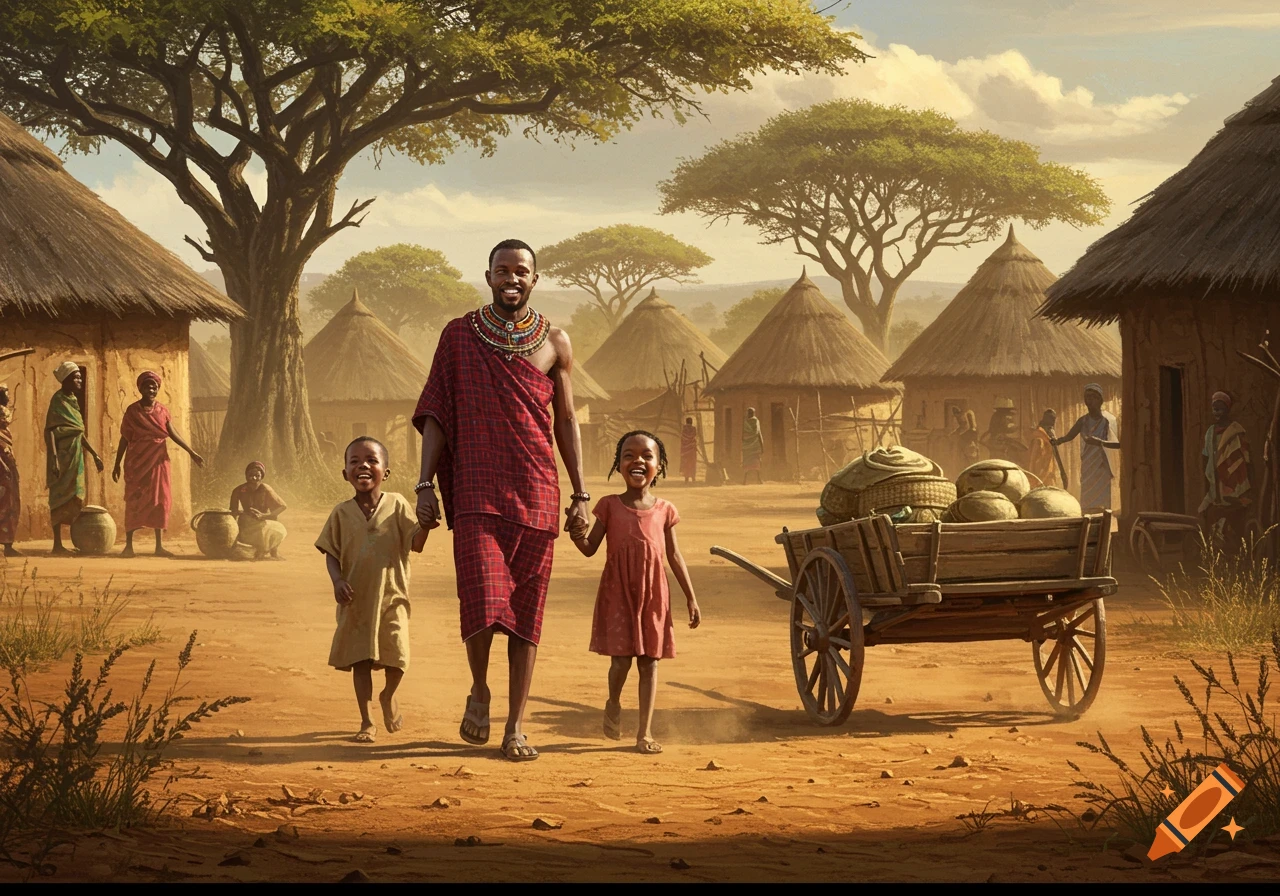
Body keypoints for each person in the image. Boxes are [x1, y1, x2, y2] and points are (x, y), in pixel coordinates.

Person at [413, 238, 590, 763]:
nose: (512, 279)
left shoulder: (556, 342)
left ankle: (515, 726)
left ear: (535, 279)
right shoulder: (458, 336)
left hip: (537, 491)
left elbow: (566, 422)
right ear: (487, 277)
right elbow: (436, 416)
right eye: (502, 271)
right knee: (486, 603)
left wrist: (580, 494)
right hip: (475, 489)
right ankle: (479, 689)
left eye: (522, 271)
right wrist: (425, 484)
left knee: (526, 615)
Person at [571, 431, 700, 754]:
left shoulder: (665, 510)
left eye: (647, 455)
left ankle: (644, 733)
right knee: (620, 662)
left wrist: (690, 596)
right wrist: (576, 532)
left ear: (659, 466)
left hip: (654, 593)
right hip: (617, 592)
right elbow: (589, 548)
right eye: (629, 455)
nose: (638, 460)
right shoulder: (609, 506)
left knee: (649, 662)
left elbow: (673, 556)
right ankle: (613, 701)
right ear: (619, 465)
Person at [317, 437, 428, 743]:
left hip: (393, 597)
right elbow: (331, 552)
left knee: (398, 655)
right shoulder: (340, 513)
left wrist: (427, 524)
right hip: (356, 601)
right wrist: (337, 581)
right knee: (361, 661)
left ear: (386, 472)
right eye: (354, 461)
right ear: (345, 473)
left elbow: (416, 544)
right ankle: (366, 721)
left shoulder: (397, 505)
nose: (362, 465)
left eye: (371, 460)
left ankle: (389, 694)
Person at [112, 370, 204, 557]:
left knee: (160, 500)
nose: (151, 389)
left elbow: (173, 433)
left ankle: (159, 546)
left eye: (154, 386)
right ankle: (129, 546)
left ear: (158, 389)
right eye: (147, 386)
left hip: (158, 461)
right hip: (136, 462)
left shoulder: (162, 411)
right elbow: (124, 439)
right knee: (134, 500)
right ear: (141, 389)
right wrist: (117, 464)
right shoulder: (132, 411)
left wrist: (191, 452)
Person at [45, 361, 104, 555]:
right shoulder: (58, 400)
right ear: (65, 380)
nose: (79, 380)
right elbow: (51, 431)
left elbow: (79, 432)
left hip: (76, 456)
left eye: (80, 376)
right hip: (61, 456)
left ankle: (73, 540)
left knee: (76, 498)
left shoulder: (74, 401)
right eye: (75, 377)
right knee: (58, 497)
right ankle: (56, 545)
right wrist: (53, 457)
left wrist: (94, 454)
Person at [1052, 384, 1119, 513]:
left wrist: (1099, 442)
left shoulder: (1107, 421)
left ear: (1100, 400)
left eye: (1093, 397)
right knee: (1087, 497)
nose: (1090, 401)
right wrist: (1058, 441)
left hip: (1102, 465)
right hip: (1088, 464)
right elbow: (1069, 436)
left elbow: (1117, 444)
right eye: (1087, 397)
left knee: (1102, 503)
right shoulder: (1083, 421)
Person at [1198, 391, 1253, 546]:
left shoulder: (1235, 432)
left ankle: (1236, 552)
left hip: (1233, 486)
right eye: (1214, 408)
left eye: (1220, 408)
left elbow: (1244, 460)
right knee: (1212, 518)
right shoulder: (1210, 432)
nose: (1216, 412)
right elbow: (1206, 456)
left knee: (1234, 520)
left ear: (1227, 409)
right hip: (1214, 485)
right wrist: (1207, 473)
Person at [229, 461, 289, 560]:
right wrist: (235, 524)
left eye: (257, 475)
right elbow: (233, 512)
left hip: (264, 521)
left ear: (261, 476)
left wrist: (263, 516)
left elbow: (282, 506)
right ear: (246, 475)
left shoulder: (265, 489)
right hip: (246, 523)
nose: (254, 478)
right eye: (250, 475)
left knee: (278, 529)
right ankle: (259, 550)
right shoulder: (238, 490)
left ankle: (273, 552)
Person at [0, 385, 20, 556]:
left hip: (8, 468)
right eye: (5, 394)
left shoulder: (5, 431)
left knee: (11, 503)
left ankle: (8, 544)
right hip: (2, 470)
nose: (8, 397)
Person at [1026, 408, 1063, 488]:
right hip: (1040, 471)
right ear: (1045, 419)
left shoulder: (1050, 432)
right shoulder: (1038, 437)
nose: (1053, 421)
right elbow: (1033, 459)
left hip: (1049, 470)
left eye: (1054, 419)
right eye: (1051, 418)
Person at [741, 407, 764, 484]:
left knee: (755, 462)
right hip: (749, 446)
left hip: (752, 446)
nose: (750, 414)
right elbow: (744, 434)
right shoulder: (747, 422)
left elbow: (758, 433)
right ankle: (745, 480)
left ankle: (758, 479)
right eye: (749, 412)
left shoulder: (753, 421)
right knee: (749, 462)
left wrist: (762, 444)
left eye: (751, 412)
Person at [680, 417, 698, 484]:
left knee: (686, 464)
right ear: (691, 422)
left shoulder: (684, 430)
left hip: (685, 451)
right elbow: (694, 437)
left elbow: (683, 439)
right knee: (692, 463)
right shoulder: (693, 429)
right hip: (692, 450)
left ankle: (686, 478)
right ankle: (693, 477)